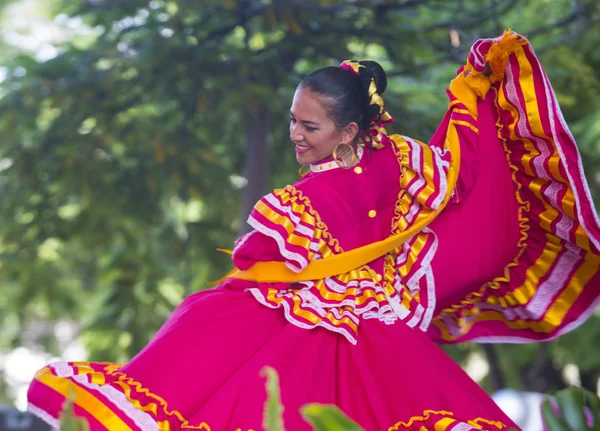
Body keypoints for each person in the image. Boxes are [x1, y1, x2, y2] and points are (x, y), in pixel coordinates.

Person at [27, 31, 600, 431]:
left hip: (323, 334)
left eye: (310, 126)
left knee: (206, 341)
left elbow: (257, 259)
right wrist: (477, 88)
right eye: (293, 122)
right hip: (388, 338)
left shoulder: (305, 199)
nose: (297, 137)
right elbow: (462, 165)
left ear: (348, 128)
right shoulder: (401, 161)